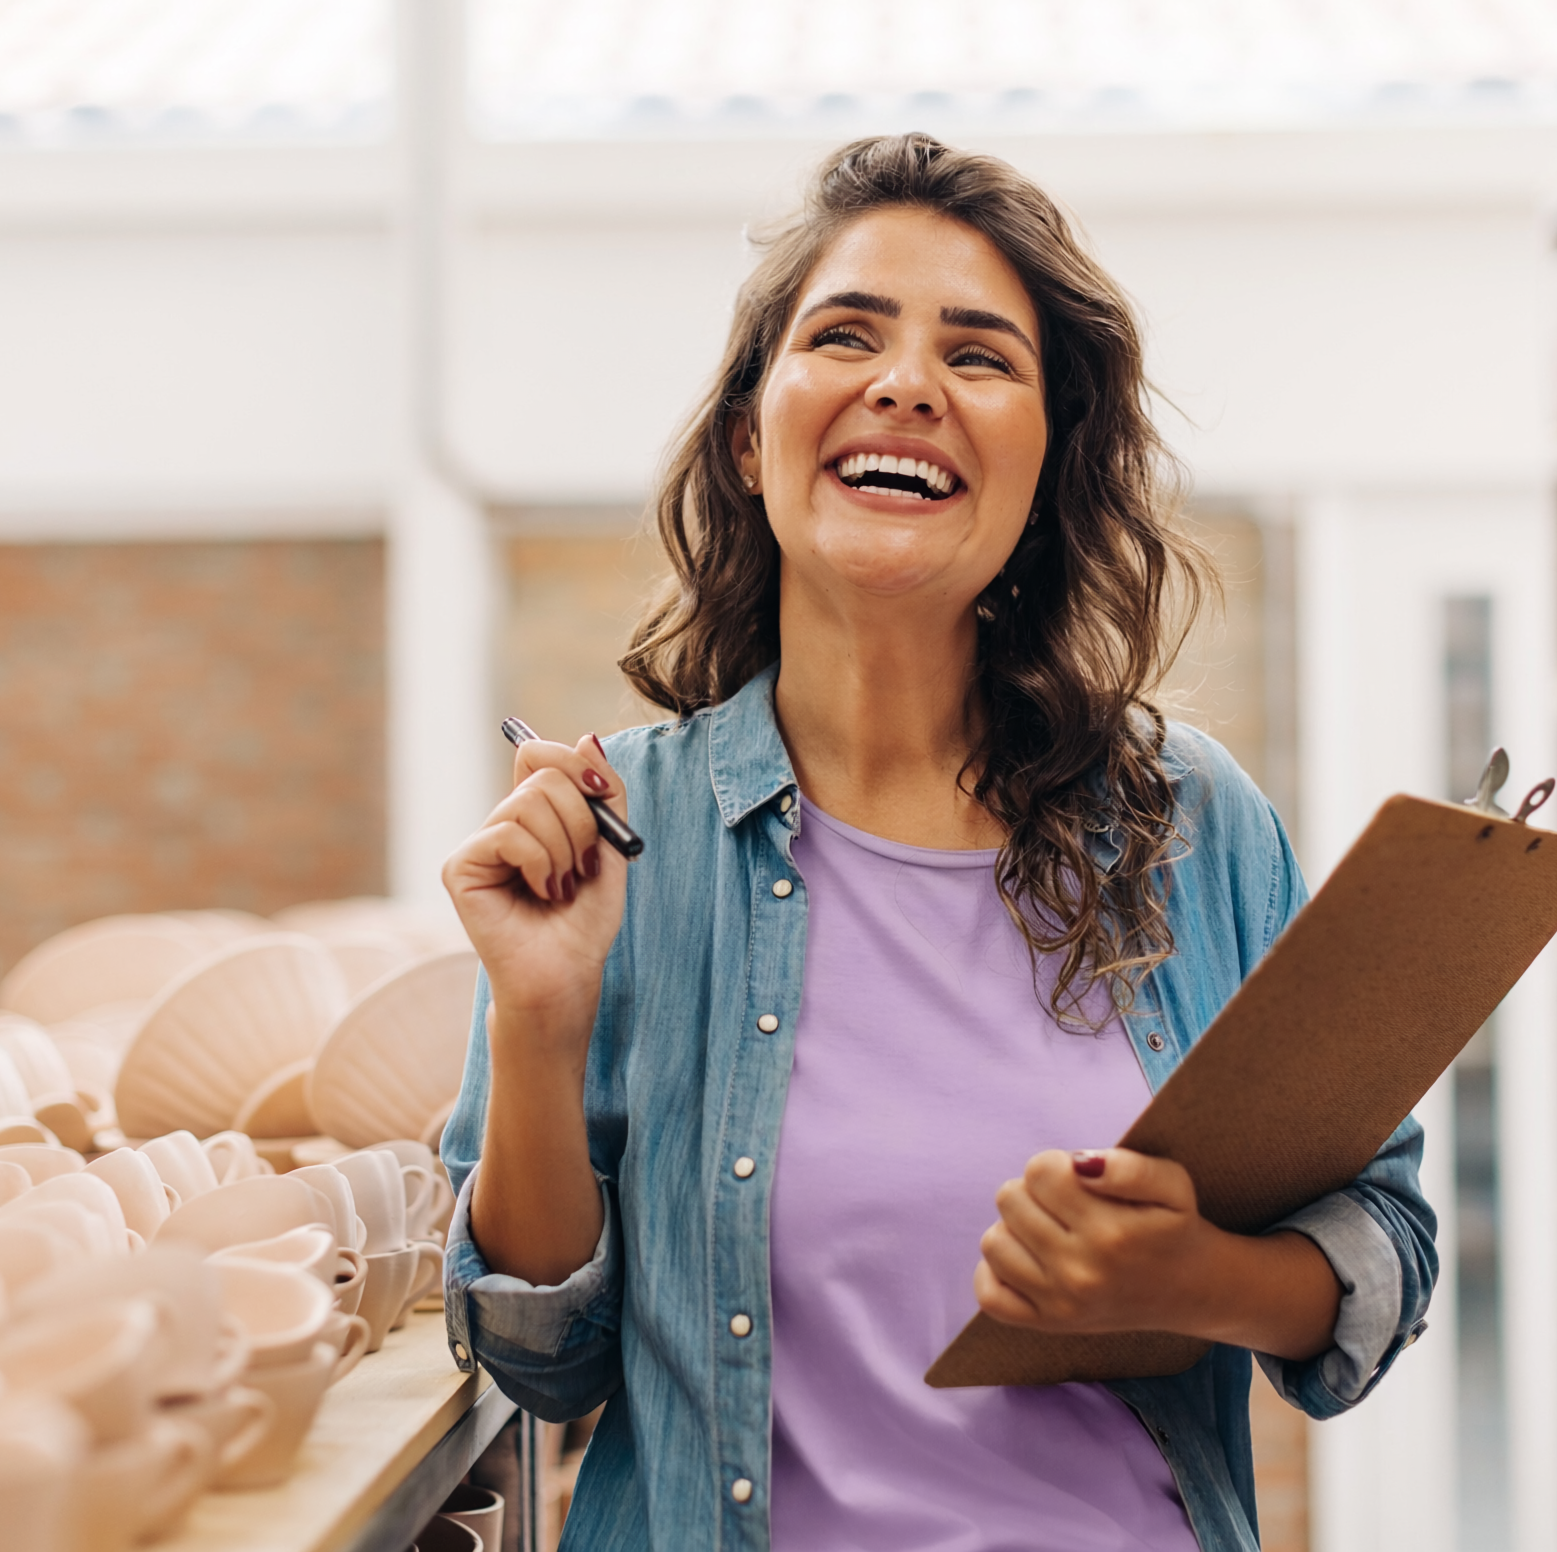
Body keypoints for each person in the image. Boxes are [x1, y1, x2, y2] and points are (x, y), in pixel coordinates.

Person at [437, 132, 1435, 1552]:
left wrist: (1200, 1277)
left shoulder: (1192, 824)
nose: (906, 383)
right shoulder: (621, 840)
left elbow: (1385, 1245)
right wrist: (539, 1021)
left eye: (980, 357)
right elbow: (542, 1361)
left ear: (1046, 461)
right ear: (749, 432)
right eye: (846, 334)